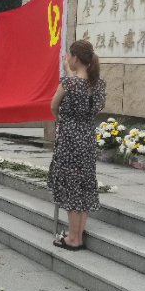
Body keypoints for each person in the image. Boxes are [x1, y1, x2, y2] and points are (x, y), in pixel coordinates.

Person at [48, 39, 106, 251]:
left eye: (70, 55)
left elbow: (53, 106)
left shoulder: (68, 83)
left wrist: (63, 120)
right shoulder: (98, 84)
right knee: (84, 185)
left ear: (75, 58)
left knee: (72, 186)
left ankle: (73, 239)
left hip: (70, 139)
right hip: (87, 138)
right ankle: (77, 235)